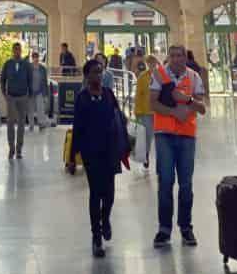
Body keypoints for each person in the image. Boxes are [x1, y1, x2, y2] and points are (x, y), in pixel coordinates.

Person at [68, 57, 130, 258]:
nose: (99, 75)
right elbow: (77, 128)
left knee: (109, 193)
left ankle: (106, 218)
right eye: (95, 72)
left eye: (100, 71)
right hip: (90, 152)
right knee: (96, 192)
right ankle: (96, 236)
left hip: (110, 149)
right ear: (87, 76)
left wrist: (125, 144)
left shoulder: (109, 94)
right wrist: (71, 156)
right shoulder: (82, 98)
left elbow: (119, 118)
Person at [151, 42, 207, 248]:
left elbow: (202, 107)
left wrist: (186, 99)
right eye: (172, 55)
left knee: (186, 183)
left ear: (185, 57)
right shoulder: (159, 75)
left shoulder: (194, 77)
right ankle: (164, 229)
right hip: (164, 134)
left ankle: (186, 227)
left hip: (186, 136)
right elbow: (152, 103)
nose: (176, 59)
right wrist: (174, 112)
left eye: (179, 55)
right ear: (168, 57)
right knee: (165, 181)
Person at [0, 42, 34, 157]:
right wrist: (5, 93)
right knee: (10, 122)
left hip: (23, 96)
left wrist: (30, 95)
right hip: (11, 97)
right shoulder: (8, 64)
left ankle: (19, 148)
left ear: (21, 51)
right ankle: (11, 147)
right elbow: (3, 79)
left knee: (21, 123)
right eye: (15, 49)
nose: (17, 51)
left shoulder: (26, 64)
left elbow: (30, 80)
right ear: (13, 51)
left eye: (19, 49)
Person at [127, 44, 153, 172]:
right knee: (146, 136)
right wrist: (137, 112)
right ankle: (145, 154)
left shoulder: (160, 77)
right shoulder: (144, 77)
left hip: (159, 112)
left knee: (154, 136)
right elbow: (138, 96)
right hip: (146, 112)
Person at [30, 50, 51, 127]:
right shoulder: (29, 67)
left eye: (37, 57)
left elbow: (45, 82)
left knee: (40, 108)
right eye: (34, 57)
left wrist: (45, 95)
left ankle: (41, 123)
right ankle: (31, 124)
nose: (36, 59)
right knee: (30, 109)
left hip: (39, 91)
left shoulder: (42, 68)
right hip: (30, 91)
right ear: (32, 58)